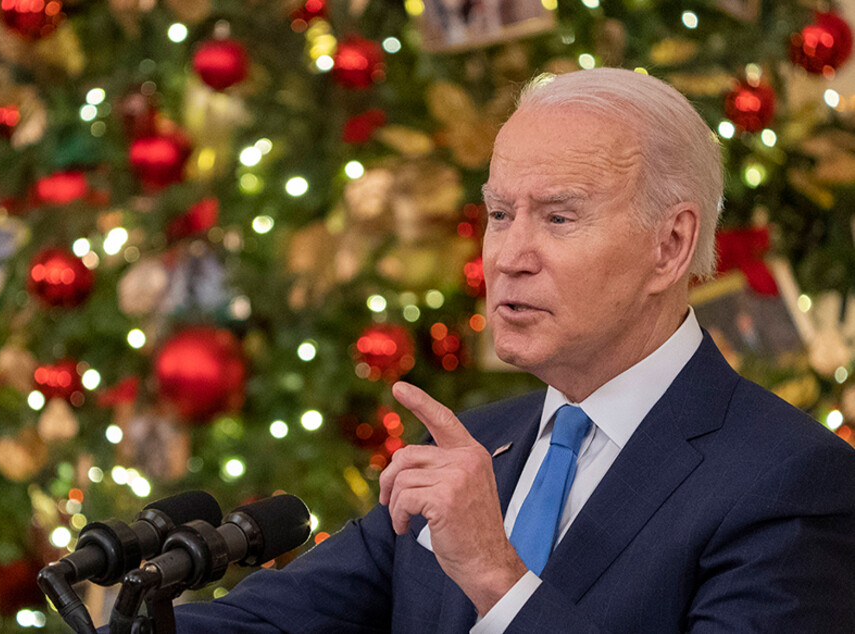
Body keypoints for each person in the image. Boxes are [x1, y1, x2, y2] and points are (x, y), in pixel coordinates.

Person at [172, 68, 855, 632]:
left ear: (669, 245)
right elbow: (267, 623)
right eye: (499, 214)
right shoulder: (475, 444)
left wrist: (496, 577)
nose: (506, 257)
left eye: (558, 217)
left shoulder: (789, 479)